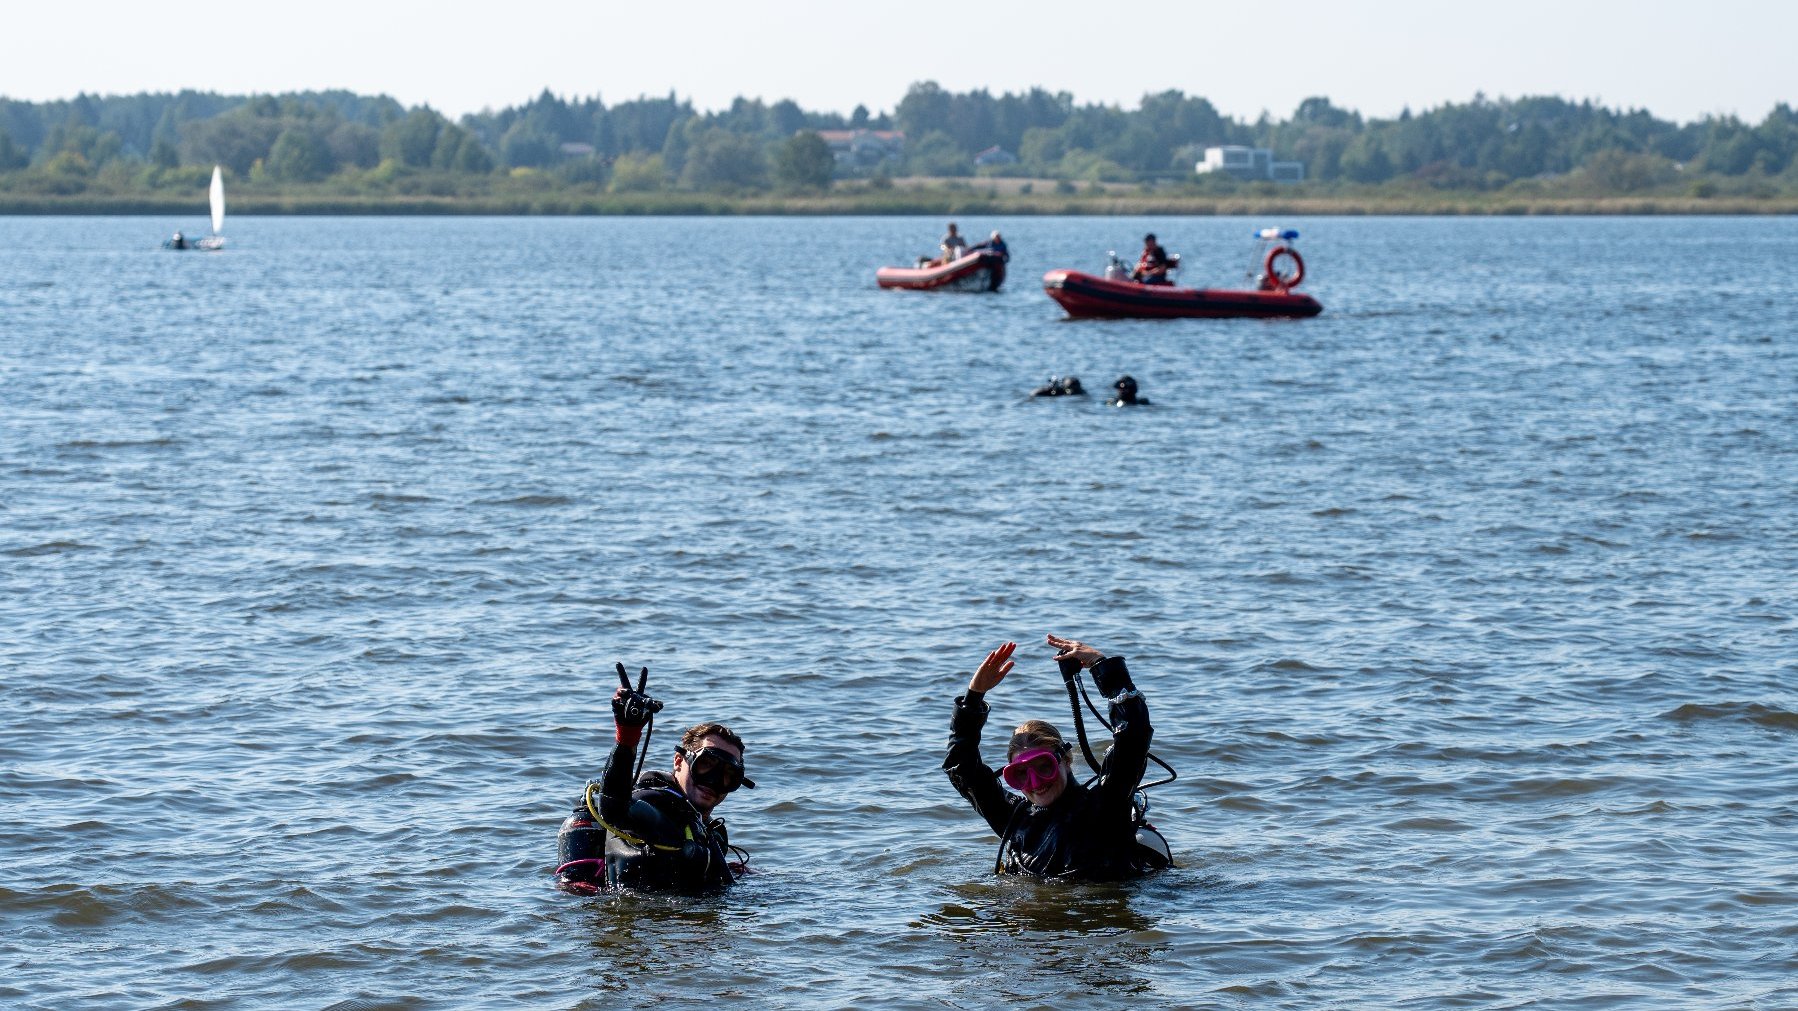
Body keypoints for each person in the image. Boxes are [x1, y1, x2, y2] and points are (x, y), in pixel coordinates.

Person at [944, 635, 1170, 881]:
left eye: (1044, 766)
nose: (1036, 782)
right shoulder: (1013, 819)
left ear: (1066, 760)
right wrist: (974, 696)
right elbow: (961, 768)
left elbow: (1133, 737)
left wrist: (1102, 666)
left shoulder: (1105, 806)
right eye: (1021, 774)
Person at [555, 664, 753, 895]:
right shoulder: (654, 804)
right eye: (706, 765)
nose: (713, 781)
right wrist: (627, 736)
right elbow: (615, 808)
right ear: (679, 762)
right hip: (646, 924)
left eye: (729, 776)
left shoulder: (705, 829)